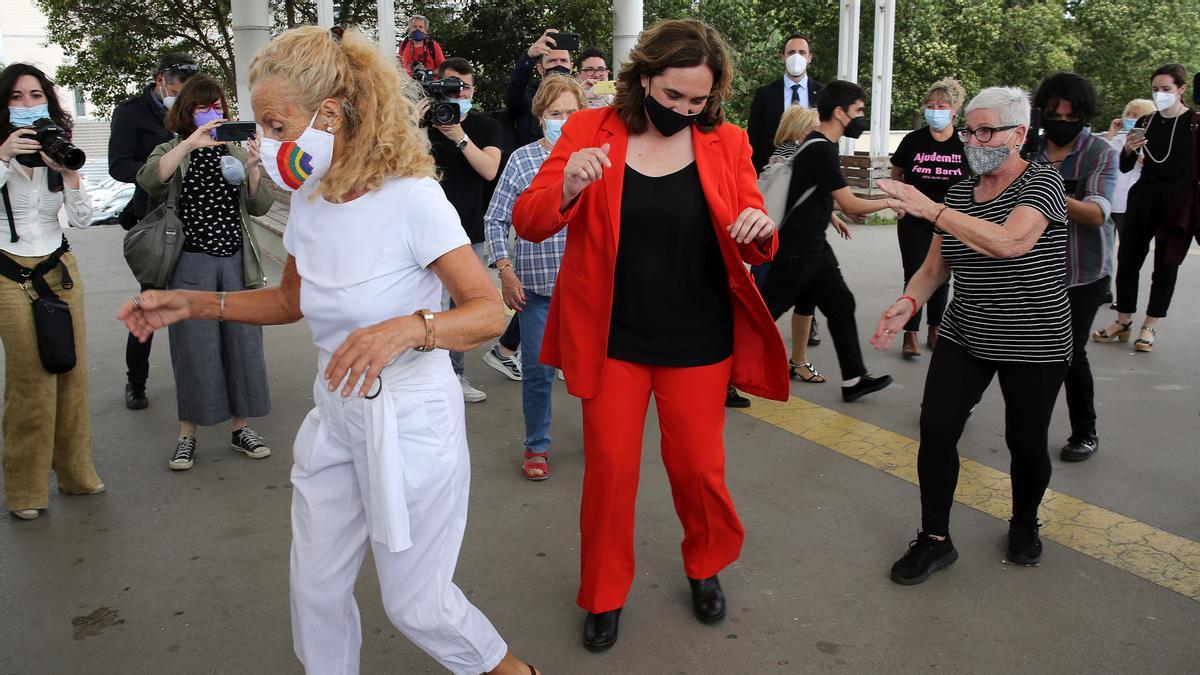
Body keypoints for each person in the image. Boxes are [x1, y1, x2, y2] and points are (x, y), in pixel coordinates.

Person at [119, 26, 539, 675]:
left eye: (276, 123)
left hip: (410, 423)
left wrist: (408, 328)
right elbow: (294, 299)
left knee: (417, 605)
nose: (264, 140)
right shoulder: (309, 199)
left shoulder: (412, 198)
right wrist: (193, 302)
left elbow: (487, 310)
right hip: (335, 417)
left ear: (331, 114)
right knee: (314, 592)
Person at [512, 19, 790, 652]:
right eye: (673, 97)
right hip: (612, 337)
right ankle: (604, 593)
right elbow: (529, 221)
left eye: (699, 102)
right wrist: (571, 183)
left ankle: (705, 563)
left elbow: (754, 229)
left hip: (698, 338)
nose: (685, 111)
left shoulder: (729, 141)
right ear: (643, 78)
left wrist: (757, 226)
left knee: (698, 469)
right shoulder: (588, 131)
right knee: (609, 473)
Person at [874, 86, 1071, 584]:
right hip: (967, 333)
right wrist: (908, 302)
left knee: (1025, 442)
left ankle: (1025, 521)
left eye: (986, 131)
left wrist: (929, 209)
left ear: (1019, 135)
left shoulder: (1041, 185)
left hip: (1035, 339)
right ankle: (935, 539)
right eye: (970, 130)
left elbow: (1010, 242)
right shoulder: (961, 191)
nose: (974, 139)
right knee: (937, 429)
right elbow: (935, 267)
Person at [137, 74, 273, 470]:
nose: (212, 113)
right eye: (202, 107)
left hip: (235, 260)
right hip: (190, 261)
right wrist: (188, 145)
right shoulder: (171, 148)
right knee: (193, 348)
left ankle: (240, 428)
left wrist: (251, 167)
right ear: (185, 112)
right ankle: (187, 435)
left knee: (242, 345)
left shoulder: (231, 149)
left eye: (217, 106)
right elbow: (150, 180)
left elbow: (260, 205)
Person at [0, 63, 103, 520]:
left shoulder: (55, 146)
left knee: (72, 374)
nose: (27, 105)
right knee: (30, 381)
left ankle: (76, 474)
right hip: (8, 273)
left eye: (36, 96)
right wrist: (4, 157)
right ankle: (25, 490)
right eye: (17, 97)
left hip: (59, 268)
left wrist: (70, 174)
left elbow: (82, 220)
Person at [759, 80, 893, 403]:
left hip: (813, 248)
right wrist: (896, 201)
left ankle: (853, 378)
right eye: (859, 110)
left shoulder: (823, 146)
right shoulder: (820, 148)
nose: (862, 117)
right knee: (761, 315)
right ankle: (720, 372)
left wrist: (834, 211)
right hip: (798, 250)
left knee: (841, 304)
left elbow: (823, 198)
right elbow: (852, 204)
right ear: (840, 112)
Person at [485, 75, 586, 481]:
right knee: (539, 374)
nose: (563, 120)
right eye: (555, 113)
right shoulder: (523, 160)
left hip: (587, 289)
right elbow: (495, 219)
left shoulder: (598, 159)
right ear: (541, 117)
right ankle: (536, 446)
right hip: (537, 290)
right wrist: (505, 271)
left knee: (590, 373)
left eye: (572, 113)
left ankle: (603, 439)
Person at [1029, 73, 1118, 463]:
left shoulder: (1100, 153)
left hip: (1083, 273)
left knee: (1069, 353)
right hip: (1031, 268)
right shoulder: (1025, 150)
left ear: (1084, 115)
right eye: (1055, 114)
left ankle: (1084, 430)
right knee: (1012, 345)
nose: (1062, 121)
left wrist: (1043, 187)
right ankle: (967, 403)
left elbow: (1097, 213)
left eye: (1071, 115)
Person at [108, 52, 198, 410]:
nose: (184, 91)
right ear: (161, 79)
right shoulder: (131, 113)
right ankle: (136, 380)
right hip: (157, 219)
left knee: (195, 302)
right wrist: (160, 170)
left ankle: (200, 380)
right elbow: (118, 165)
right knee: (149, 300)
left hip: (197, 214)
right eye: (178, 84)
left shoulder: (194, 109)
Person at [1093, 64, 1195, 353]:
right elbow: (1126, 166)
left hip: (1178, 203)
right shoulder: (1146, 122)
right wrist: (1128, 148)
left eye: (1167, 89)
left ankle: (1150, 325)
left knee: (1166, 266)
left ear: (1181, 90)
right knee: (1127, 259)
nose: (1160, 94)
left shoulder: (1194, 123)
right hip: (1144, 198)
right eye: (1156, 89)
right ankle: (1123, 320)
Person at [425, 57, 504, 402]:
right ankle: (427, 377)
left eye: (465, 88)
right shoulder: (419, 125)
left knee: (461, 308)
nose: (458, 94)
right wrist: (412, 121)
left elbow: (489, 169)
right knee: (428, 306)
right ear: (437, 87)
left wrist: (459, 136)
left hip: (467, 232)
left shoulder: (486, 126)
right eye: (451, 86)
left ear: (473, 90)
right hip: (422, 234)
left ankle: (455, 376)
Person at [763, 104, 852, 384]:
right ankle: (732, 365)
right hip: (792, 247)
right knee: (769, 308)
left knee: (805, 301)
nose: (819, 131)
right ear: (799, 129)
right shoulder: (792, 155)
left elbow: (812, 196)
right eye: (814, 126)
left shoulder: (799, 153)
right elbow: (795, 199)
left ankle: (799, 362)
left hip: (805, 245)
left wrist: (833, 217)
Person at [888, 78, 970, 357]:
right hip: (913, 217)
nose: (935, 110)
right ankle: (909, 333)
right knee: (914, 272)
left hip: (950, 218)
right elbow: (896, 172)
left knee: (942, 275)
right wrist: (899, 200)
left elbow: (975, 179)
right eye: (930, 106)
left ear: (954, 111)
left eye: (942, 106)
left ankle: (935, 329)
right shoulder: (913, 141)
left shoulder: (965, 143)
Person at [747, 33, 824, 175]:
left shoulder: (822, 94)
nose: (796, 57)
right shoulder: (764, 94)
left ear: (809, 58)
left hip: (812, 173)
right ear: (783, 57)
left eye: (802, 52)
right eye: (791, 52)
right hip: (771, 174)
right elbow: (753, 139)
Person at [506, 28, 574, 147]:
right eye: (552, 61)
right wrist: (529, 56)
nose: (558, 65)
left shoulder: (578, 98)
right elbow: (514, 96)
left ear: (571, 67)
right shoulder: (528, 98)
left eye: (563, 60)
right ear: (540, 68)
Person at [1102, 99, 1156, 240]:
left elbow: (1152, 165)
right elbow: (1101, 159)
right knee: (1104, 246)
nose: (1130, 118)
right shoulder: (1118, 139)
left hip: (1131, 202)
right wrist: (1111, 133)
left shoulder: (1150, 141)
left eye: (1135, 115)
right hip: (1109, 200)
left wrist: (1134, 150)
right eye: (1129, 114)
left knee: (1128, 246)